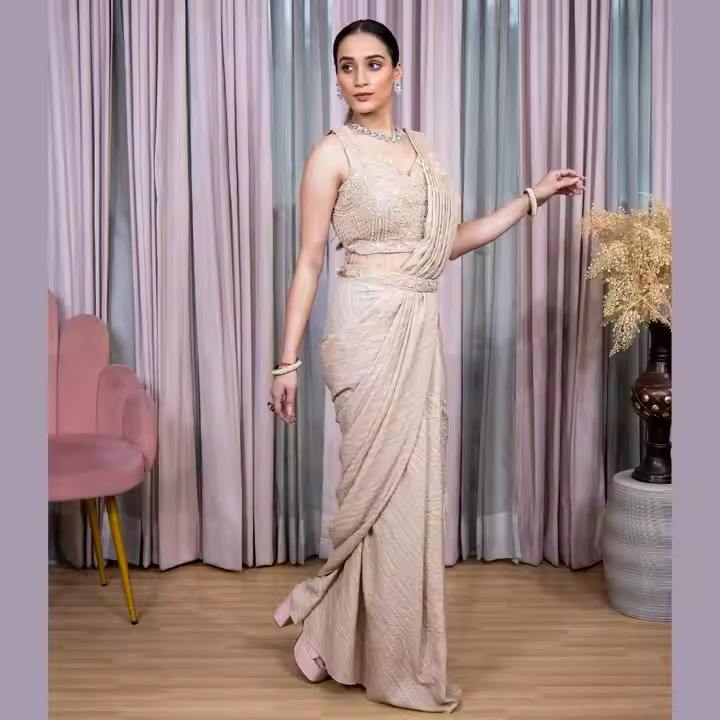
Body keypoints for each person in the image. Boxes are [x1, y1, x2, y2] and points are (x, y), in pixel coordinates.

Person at [267, 18, 585, 714]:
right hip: (364, 331)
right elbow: (310, 261)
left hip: (417, 323)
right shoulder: (331, 153)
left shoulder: (425, 151)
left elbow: (446, 245)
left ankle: (342, 641)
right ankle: (337, 627)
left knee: (407, 501)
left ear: (397, 72)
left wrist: (530, 199)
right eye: (346, 65)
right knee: (371, 495)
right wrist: (285, 363)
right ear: (337, 78)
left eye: (373, 63)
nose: (360, 77)